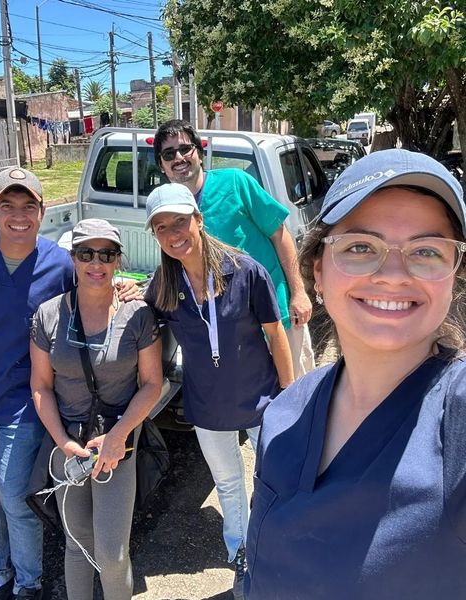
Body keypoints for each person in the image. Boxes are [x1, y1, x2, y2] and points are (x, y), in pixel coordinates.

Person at [245, 149, 466, 599]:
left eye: (426, 251)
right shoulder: (286, 413)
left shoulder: (456, 422)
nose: (391, 274)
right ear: (318, 274)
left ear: (454, 276)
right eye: (361, 247)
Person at [0, 168, 139, 600]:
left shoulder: (58, 263)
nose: (18, 215)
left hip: (24, 403)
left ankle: (28, 582)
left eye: (28, 206)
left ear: (42, 211)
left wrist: (126, 287)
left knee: (14, 496)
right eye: (7, 206)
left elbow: (93, 288)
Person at [144, 183, 294, 599]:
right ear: (155, 236)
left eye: (179, 221)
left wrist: (289, 393)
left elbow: (274, 331)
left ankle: (275, 543)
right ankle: (241, 547)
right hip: (208, 405)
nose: (173, 233)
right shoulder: (163, 283)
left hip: (261, 398)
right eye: (161, 227)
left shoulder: (244, 270)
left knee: (272, 477)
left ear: (199, 219)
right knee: (227, 482)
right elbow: (143, 319)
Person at [30, 218, 162, 600]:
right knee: (77, 545)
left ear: (118, 260)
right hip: (66, 444)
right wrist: (62, 442)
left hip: (118, 446)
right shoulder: (49, 314)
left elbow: (152, 384)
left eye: (106, 254)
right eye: (86, 253)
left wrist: (118, 436)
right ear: (72, 257)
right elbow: (40, 386)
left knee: (112, 552)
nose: (96, 263)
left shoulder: (137, 314)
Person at [154, 119, 314, 378]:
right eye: (169, 154)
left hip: (278, 314)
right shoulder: (168, 212)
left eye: (186, 149)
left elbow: (279, 234)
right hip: (233, 333)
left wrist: (298, 292)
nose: (179, 158)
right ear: (162, 165)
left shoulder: (236, 183)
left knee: (297, 394)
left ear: (199, 152)